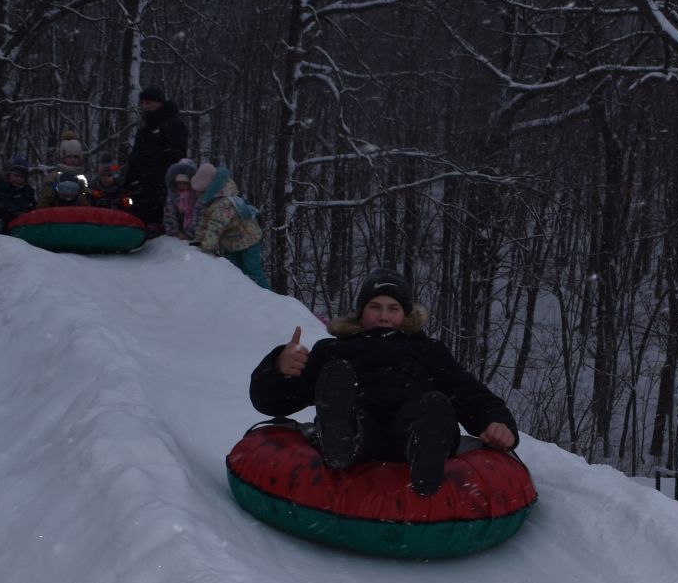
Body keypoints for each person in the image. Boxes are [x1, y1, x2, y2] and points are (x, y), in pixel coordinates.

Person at [249, 269, 518, 496]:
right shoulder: (333, 350)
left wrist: (498, 424)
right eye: (374, 307)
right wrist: (278, 367)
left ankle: (426, 448)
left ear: (406, 315)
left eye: (393, 308)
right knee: (345, 398)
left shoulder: (429, 351)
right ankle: (343, 437)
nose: (383, 316)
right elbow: (271, 401)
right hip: (360, 420)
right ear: (360, 313)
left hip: (411, 425)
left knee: (428, 408)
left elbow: (470, 395)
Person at [191, 163, 270, 289]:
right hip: (232, 243)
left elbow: (216, 226)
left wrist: (206, 244)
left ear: (207, 189)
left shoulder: (223, 204)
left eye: (199, 192)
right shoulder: (211, 202)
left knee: (253, 271)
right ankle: (242, 295)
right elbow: (205, 222)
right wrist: (199, 238)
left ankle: (268, 298)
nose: (197, 195)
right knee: (234, 272)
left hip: (249, 239)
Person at [126, 86, 188, 230]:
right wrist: (129, 181)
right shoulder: (144, 129)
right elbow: (135, 157)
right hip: (141, 185)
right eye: (143, 103)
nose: (145, 106)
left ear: (159, 102)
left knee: (158, 219)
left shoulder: (174, 125)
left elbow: (176, 156)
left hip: (162, 184)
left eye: (148, 103)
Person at [163, 159, 198, 239]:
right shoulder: (174, 195)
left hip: (191, 231)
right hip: (177, 231)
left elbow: (195, 214)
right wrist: (174, 231)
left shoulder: (194, 196)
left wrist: (191, 232)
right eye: (179, 183)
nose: (182, 185)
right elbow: (169, 213)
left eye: (185, 183)